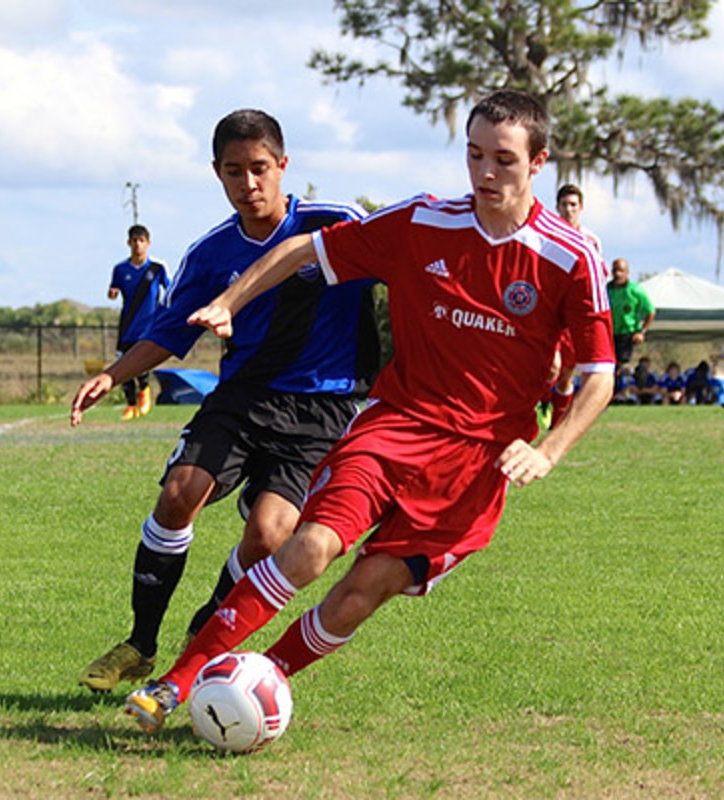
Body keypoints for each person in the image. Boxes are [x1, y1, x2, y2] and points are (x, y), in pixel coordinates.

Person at [121, 89, 615, 735]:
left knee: (361, 595)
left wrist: (548, 450)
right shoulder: (423, 222)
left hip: (477, 464)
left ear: (539, 162)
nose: (486, 173)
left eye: (503, 160)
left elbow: (599, 375)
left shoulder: (571, 257)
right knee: (310, 547)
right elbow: (304, 250)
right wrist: (232, 301)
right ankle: (178, 681)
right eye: (474, 155)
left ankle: (249, 690)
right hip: (395, 425)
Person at [70, 109, 380, 694]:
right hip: (243, 397)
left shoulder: (335, 224)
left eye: (260, 168)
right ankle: (139, 643)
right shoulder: (212, 252)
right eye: (234, 172)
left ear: (283, 165)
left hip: (323, 410)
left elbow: (403, 265)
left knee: (268, 536)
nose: (249, 184)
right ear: (217, 173)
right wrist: (113, 376)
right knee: (179, 493)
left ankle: (202, 633)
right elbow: (170, 332)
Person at [544, 183, 605, 428]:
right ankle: (541, 402)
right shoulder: (549, 235)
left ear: (581, 208)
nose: (569, 209)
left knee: (567, 373)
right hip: (549, 311)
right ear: (557, 207)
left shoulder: (590, 240)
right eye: (564, 205)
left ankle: (556, 425)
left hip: (573, 314)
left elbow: (597, 277)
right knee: (551, 365)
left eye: (573, 205)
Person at [108, 225, 169, 420]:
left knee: (142, 362)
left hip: (149, 325)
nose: (137, 245)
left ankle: (144, 390)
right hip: (127, 325)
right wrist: (112, 293)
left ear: (148, 244)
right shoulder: (120, 269)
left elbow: (171, 289)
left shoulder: (156, 269)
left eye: (141, 241)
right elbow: (113, 290)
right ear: (128, 243)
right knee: (122, 362)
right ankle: (130, 405)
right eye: (134, 241)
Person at [606, 257, 655, 365]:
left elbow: (650, 311)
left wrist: (641, 332)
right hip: (608, 333)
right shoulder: (606, 289)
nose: (618, 274)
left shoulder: (635, 290)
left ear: (627, 272)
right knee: (606, 363)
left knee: (621, 362)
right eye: (615, 271)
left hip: (627, 334)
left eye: (621, 271)